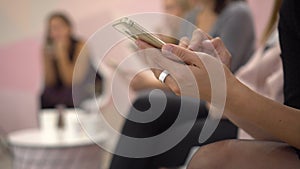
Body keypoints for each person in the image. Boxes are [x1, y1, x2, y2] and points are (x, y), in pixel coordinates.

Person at [135, 0, 300, 168]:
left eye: (171, 7)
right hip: (230, 107)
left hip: (230, 107)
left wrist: (222, 87)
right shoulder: (287, 13)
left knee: (181, 148)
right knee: (145, 104)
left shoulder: (238, 14)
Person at [109, 0, 254, 169]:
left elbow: (220, 75)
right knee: (145, 106)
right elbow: (183, 64)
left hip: (218, 101)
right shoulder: (192, 16)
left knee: (148, 108)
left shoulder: (237, 13)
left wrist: (156, 80)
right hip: (199, 97)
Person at [40, 12, 90, 108]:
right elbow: (49, 81)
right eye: (51, 29)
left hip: (79, 89)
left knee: (71, 94)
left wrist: (61, 54)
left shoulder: (80, 46)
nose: (55, 32)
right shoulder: (47, 48)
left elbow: (71, 81)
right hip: (58, 92)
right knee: (45, 94)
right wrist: (49, 59)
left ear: (69, 28)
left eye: (58, 27)